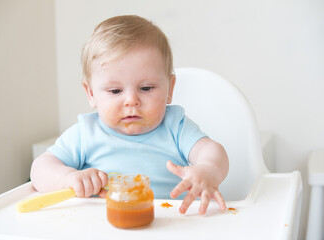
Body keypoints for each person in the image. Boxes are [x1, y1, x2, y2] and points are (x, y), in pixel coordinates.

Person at [30, 15, 229, 215]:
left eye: (146, 88)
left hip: (169, 224)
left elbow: (211, 150)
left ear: (170, 89)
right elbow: (39, 168)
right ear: (91, 93)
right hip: (99, 226)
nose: (131, 101)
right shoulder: (85, 134)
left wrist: (208, 169)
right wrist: (67, 178)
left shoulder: (175, 126)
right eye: (115, 91)